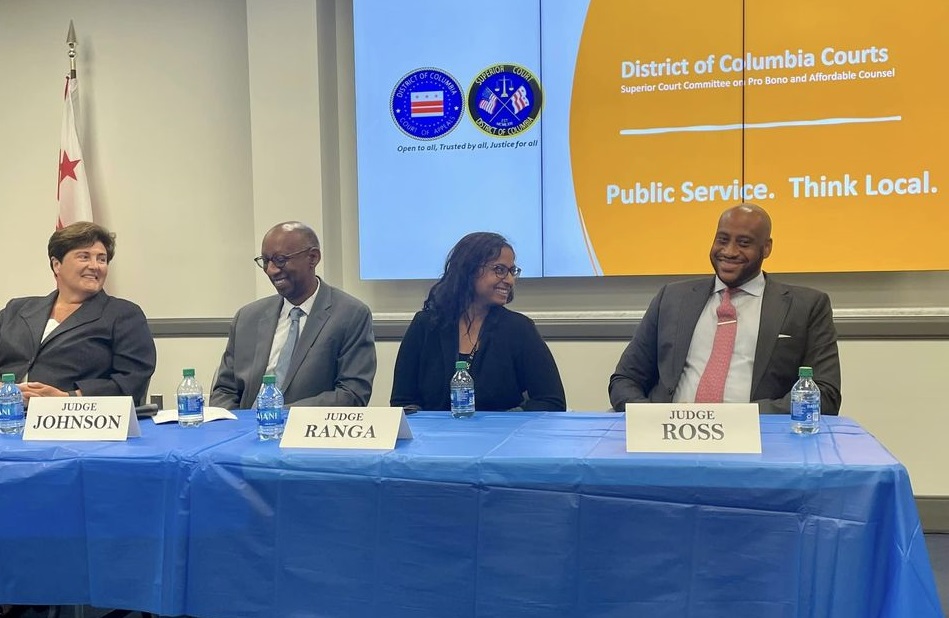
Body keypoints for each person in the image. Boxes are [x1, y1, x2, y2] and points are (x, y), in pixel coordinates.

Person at [609, 203, 842, 414]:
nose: (729, 252)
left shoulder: (807, 306)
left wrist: (740, 420)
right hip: (670, 438)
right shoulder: (671, 298)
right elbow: (624, 380)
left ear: (767, 248)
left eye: (744, 243)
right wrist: (652, 419)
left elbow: (825, 393)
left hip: (761, 444)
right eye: (722, 240)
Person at [391, 232, 566, 411]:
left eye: (512, 271)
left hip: (500, 436)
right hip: (434, 437)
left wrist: (506, 422)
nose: (510, 280)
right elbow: (403, 402)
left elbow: (551, 401)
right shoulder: (426, 325)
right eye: (499, 270)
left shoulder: (519, 329)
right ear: (469, 270)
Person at [210, 221, 376, 409]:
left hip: (306, 433)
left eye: (280, 260)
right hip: (246, 432)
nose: (271, 270)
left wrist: (278, 416)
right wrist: (236, 428)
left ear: (313, 258)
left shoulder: (350, 315)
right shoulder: (247, 317)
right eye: (265, 261)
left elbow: (351, 394)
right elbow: (224, 390)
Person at [0, 222, 156, 406]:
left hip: (74, 421)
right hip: (8, 417)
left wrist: (68, 399)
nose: (95, 266)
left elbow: (133, 379)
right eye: (84, 257)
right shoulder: (17, 309)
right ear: (56, 265)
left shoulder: (123, 315)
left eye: (101, 259)